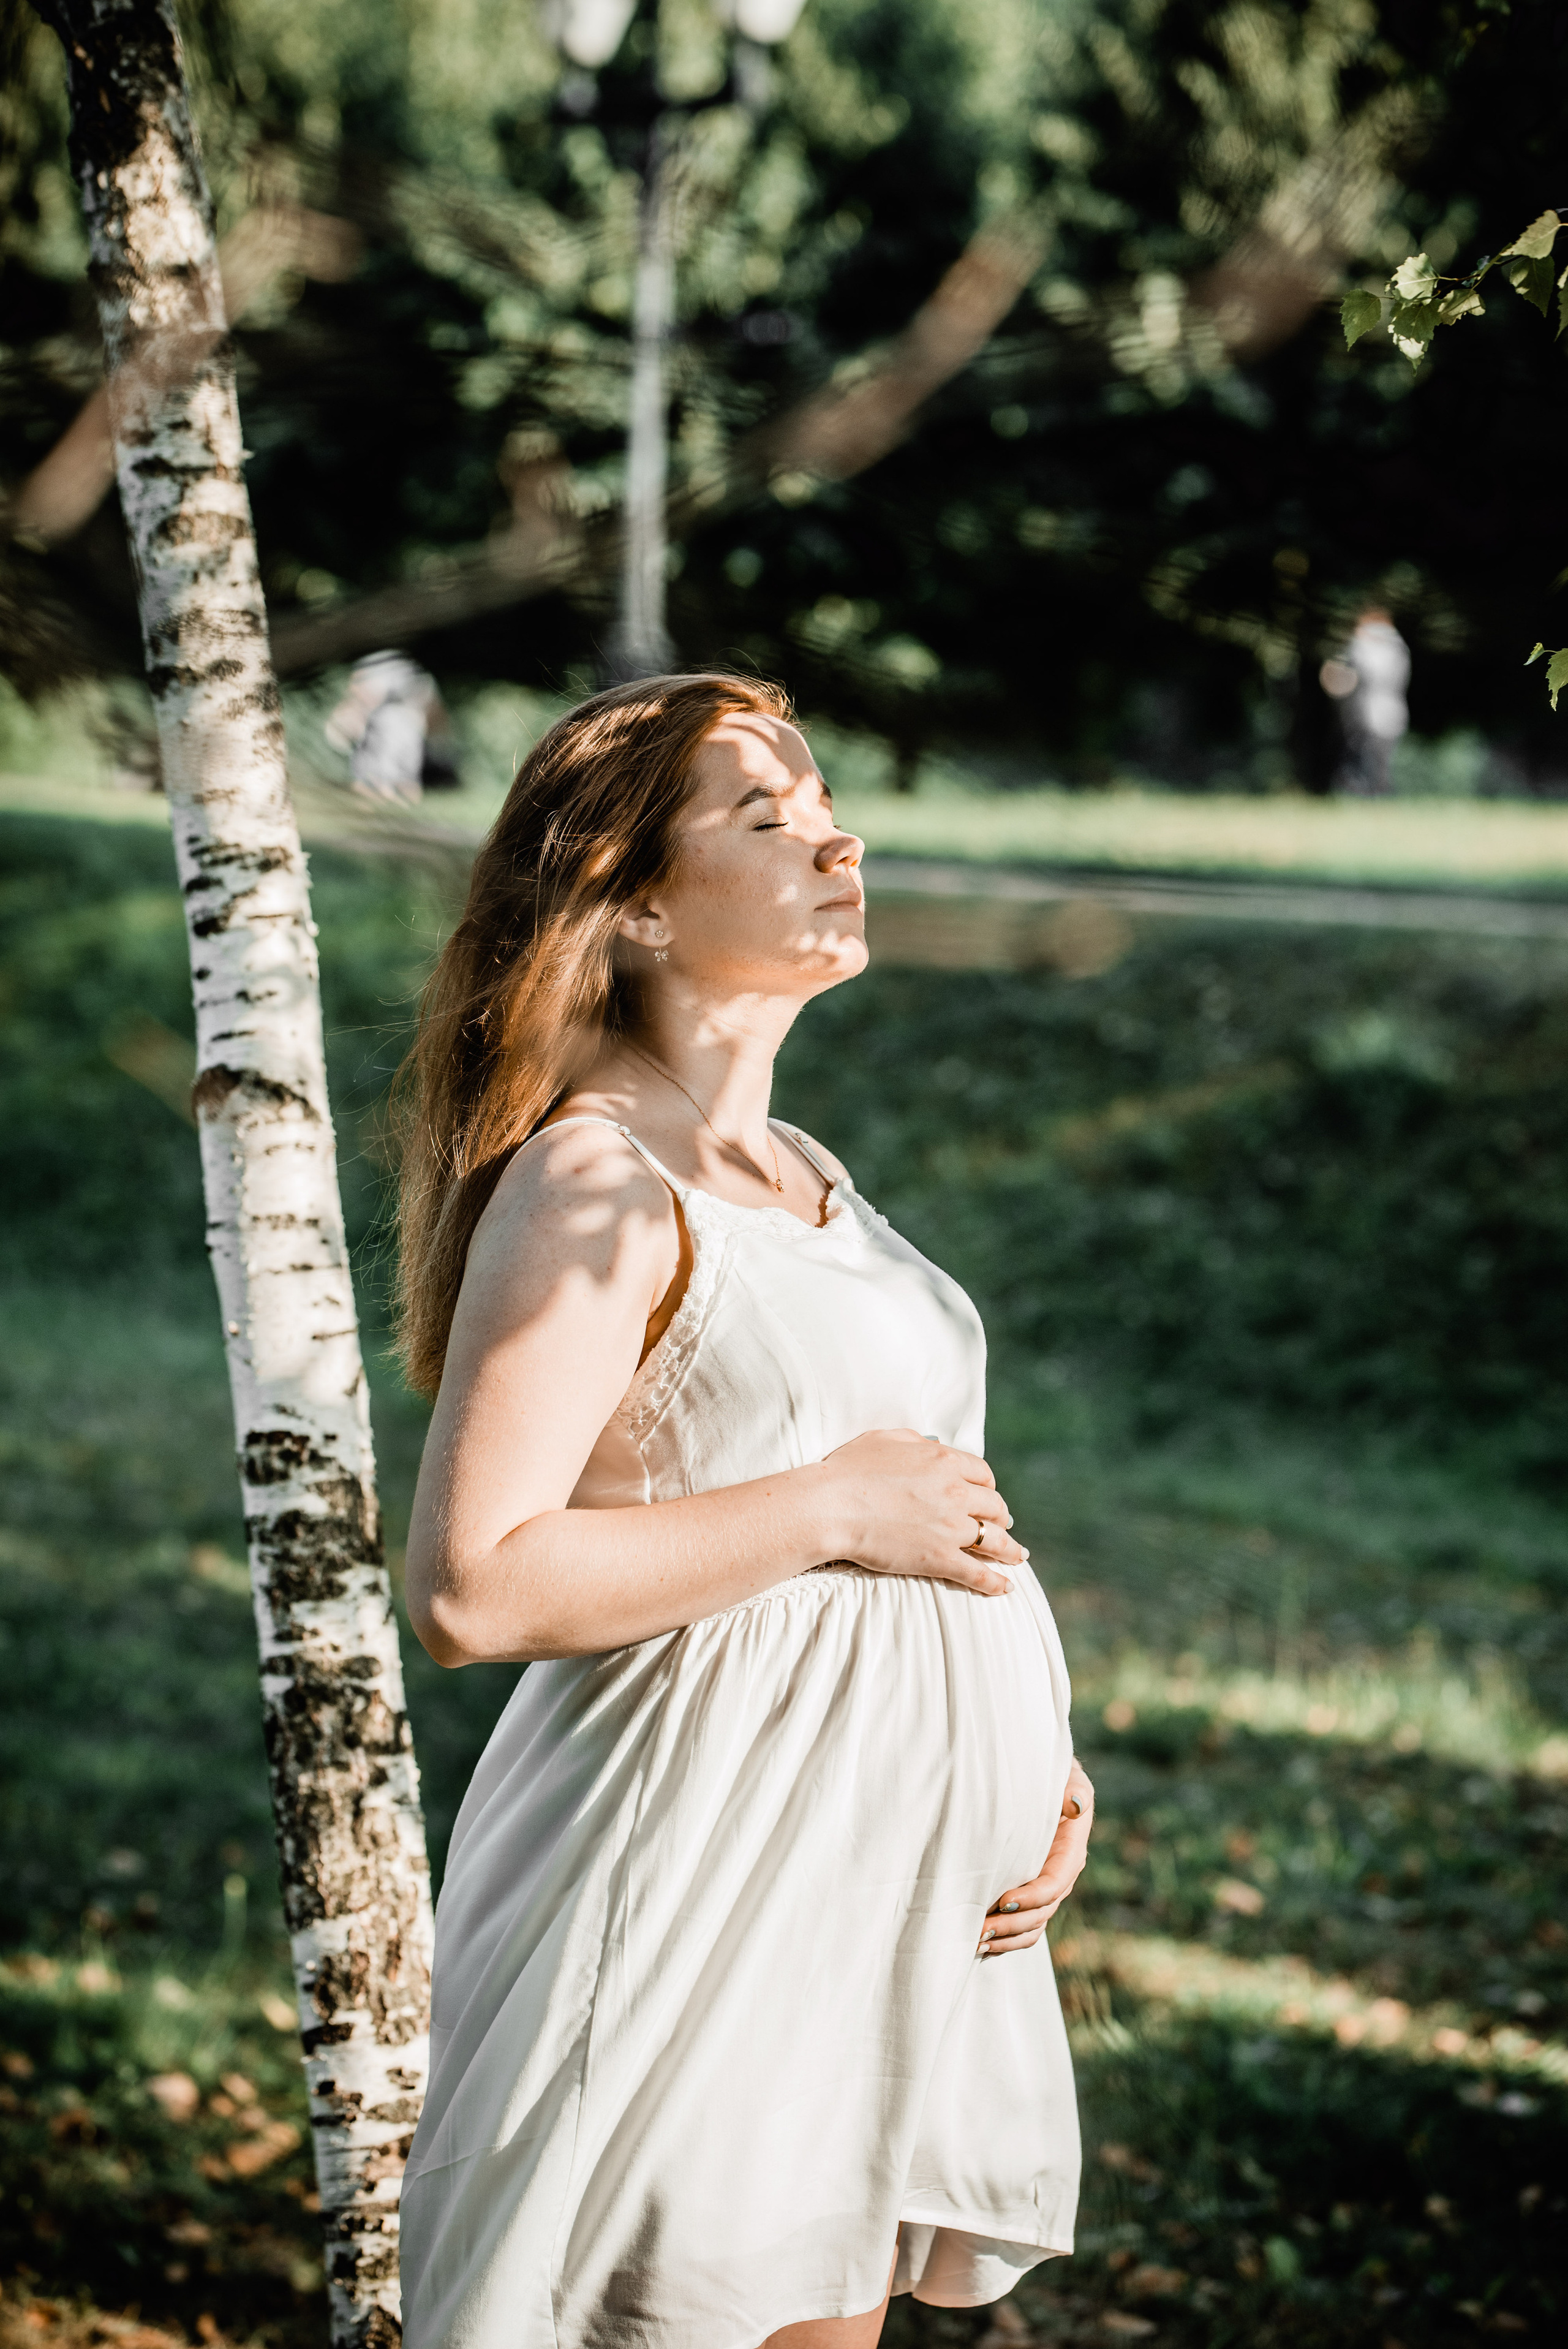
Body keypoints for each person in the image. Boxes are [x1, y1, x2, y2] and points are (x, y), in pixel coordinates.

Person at [394, 671, 1093, 2349]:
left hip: (868, 1900)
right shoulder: (594, 1180)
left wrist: (1028, 1771)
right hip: (687, 1891)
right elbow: (476, 1586)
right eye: (766, 818)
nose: (833, 838)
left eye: (829, 803)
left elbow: (935, 1507)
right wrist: (828, 1505)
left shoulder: (805, 1172)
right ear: (629, 902)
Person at [324, 649, 459, 803]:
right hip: (403, 727)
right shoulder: (402, 673)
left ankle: (380, 805)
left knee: (392, 779)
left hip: (399, 728)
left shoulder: (387, 674)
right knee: (387, 778)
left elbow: (364, 694)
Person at [1319, 606, 1410, 796]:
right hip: (1386, 712)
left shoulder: (1364, 648)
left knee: (1368, 760)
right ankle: (1374, 794)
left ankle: (1370, 794)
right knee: (1377, 762)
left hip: (1369, 713)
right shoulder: (1398, 648)